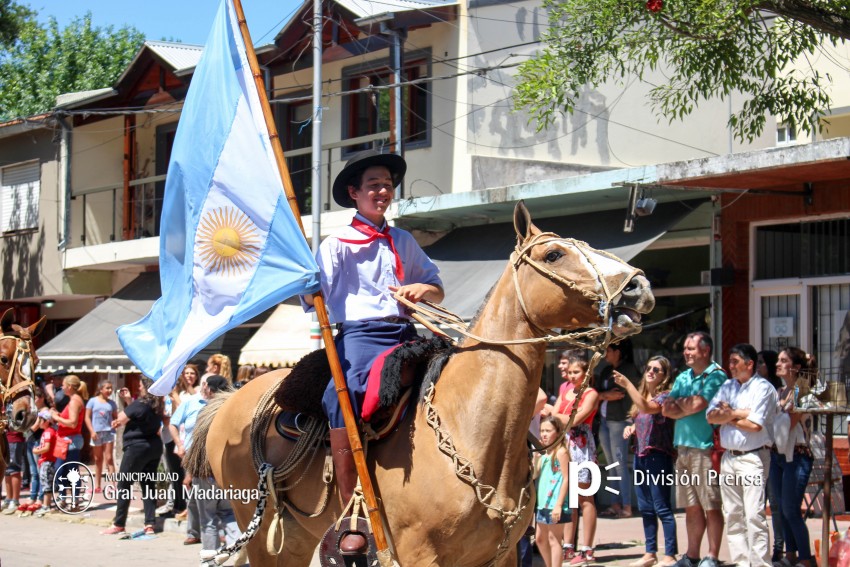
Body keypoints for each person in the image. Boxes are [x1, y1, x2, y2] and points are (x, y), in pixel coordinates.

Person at [302, 149, 444, 554]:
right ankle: (351, 514)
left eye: (387, 184)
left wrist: (423, 290)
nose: (382, 191)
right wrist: (307, 284)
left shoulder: (403, 240)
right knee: (338, 397)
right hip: (360, 336)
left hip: (406, 331)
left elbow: (436, 285)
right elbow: (312, 298)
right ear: (354, 193)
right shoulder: (336, 244)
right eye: (373, 185)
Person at [661, 331, 727, 567]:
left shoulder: (716, 375)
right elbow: (666, 409)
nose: (686, 353)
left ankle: (712, 556)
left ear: (705, 351)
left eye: (691, 349)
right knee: (691, 506)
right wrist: (684, 406)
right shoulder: (683, 377)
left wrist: (682, 405)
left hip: (705, 449)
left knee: (711, 505)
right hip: (684, 448)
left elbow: (700, 403)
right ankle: (692, 556)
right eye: (686, 348)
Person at [707, 343, 776, 567]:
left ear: (749, 363)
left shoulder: (763, 388)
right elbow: (710, 416)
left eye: (735, 362)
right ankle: (742, 562)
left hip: (753, 457)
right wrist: (741, 415)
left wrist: (729, 413)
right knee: (733, 514)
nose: (731, 366)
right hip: (729, 457)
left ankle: (760, 564)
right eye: (730, 362)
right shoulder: (727, 386)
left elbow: (755, 425)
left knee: (754, 514)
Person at [615, 356, 678, 567]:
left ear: (664, 376)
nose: (650, 371)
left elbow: (647, 408)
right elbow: (642, 416)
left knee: (662, 507)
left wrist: (627, 385)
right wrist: (631, 428)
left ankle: (670, 555)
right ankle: (650, 553)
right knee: (645, 508)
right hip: (641, 456)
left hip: (658, 456)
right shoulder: (643, 396)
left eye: (656, 370)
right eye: (648, 368)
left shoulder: (665, 397)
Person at [542, 352, 599, 565]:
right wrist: (559, 418)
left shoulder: (591, 393)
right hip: (564, 443)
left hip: (582, 445)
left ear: (586, 374)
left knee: (585, 497)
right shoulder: (564, 388)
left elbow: (577, 419)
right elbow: (555, 416)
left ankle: (587, 548)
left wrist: (558, 417)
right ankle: (568, 546)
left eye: (577, 372)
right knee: (568, 498)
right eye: (571, 372)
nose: (572, 376)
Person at [101, 378, 163, 536]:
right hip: (153, 446)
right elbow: (139, 415)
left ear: (145, 387)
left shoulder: (139, 403)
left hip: (136, 447)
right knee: (148, 485)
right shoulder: (157, 405)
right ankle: (150, 523)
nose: (139, 387)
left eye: (141, 385)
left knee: (124, 484)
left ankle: (119, 523)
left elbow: (121, 419)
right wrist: (129, 400)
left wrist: (119, 418)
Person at [772, 347, 815, 567]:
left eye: (783, 360)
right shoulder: (779, 392)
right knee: (780, 507)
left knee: (791, 508)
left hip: (797, 454)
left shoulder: (802, 391)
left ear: (795, 367)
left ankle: (806, 558)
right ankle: (790, 555)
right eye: (778, 360)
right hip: (778, 455)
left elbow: (789, 423)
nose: (777, 364)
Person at [595, 339, 639, 518]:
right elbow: (598, 393)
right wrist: (605, 395)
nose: (605, 354)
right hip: (605, 421)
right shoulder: (605, 371)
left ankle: (627, 506)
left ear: (618, 352)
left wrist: (603, 396)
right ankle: (615, 503)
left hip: (620, 420)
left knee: (619, 464)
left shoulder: (628, 370)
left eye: (608, 350)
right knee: (611, 464)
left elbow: (621, 394)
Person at [169, 370, 209, 545]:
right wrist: (179, 444)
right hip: (193, 455)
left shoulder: (221, 403)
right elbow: (173, 423)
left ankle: (216, 530)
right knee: (194, 494)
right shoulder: (191, 402)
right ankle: (194, 532)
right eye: (208, 385)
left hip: (214, 454)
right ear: (204, 385)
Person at [534, 415, 572, 567]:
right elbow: (535, 475)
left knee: (554, 539)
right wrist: (536, 458)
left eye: (548, 431)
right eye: (542, 430)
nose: (544, 434)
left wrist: (559, 504)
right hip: (543, 503)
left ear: (558, 432)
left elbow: (567, 478)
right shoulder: (544, 453)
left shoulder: (561, 452)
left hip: (556, 503)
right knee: (539, 539)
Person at [84, 380, 118, 494]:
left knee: (109, 458)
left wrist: (115, 423)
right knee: (98, 459)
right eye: (107, 388)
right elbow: (87, 417)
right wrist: (91, 431)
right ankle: (97, 485)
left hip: (108, 432)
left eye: (110, 388)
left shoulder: (112, 403)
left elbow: (115, 417)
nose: (109, 390)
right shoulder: (92, 401)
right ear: (100, 389)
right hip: (96, 433)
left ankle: (114, 485)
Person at [49, 374, 89, 466]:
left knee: (66, 473)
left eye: (63, 385)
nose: (62, 387)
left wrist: (56, 418)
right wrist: (58, 414)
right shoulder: (75, 400)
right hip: (69, 440)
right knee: (65, 473)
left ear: (69, 386)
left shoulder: (74, 401)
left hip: (70, 440)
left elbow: (72, 423)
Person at [31, 410, 57, 517]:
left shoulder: (48, 432)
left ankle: (46, 505)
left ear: (46, 421)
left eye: (41, 419)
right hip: (46, 461)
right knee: (46, 483)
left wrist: (36, 451)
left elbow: (46, 448)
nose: (39, 422)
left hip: (47, 461)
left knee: (46, 484)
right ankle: (46, 504)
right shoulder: (48, 431)